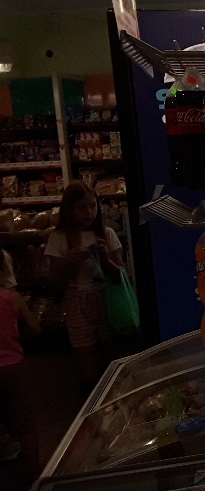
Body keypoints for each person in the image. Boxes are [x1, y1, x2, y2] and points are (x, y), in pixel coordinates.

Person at [45, 181, 124, 391]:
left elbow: (121, 277)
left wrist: (106, 259)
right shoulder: (58, 239)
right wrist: (68, 263)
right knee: (86, 364)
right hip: (77, 303)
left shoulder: (107, 234)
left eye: (92, 206)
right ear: (69, 210)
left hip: (108, 300)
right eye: (81, 207)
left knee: (112, 360)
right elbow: (54, 284)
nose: (88, 212)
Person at [0, 249, 41, 461]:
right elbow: (35, 327)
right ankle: (34, 470)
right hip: (13, 367)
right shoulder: (13, 298)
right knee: (26, 423)